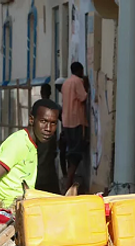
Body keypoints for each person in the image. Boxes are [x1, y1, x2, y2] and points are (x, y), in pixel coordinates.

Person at [0, 99, 60, 211]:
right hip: (7, 209)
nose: (48, 129)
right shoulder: (18, 142)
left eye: (53, 123)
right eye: (43, 121)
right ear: (31, 120)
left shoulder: (33, 145)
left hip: (23, 205)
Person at [61, 62, 89, 190]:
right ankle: (69, 183)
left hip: (66, 122)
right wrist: (86, 86)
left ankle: (69, 181)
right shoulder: (78, 82)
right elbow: (83, 97)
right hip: (77, 121)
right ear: (79, 70)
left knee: (71, 151)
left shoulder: (66, 83)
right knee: (76, 154)